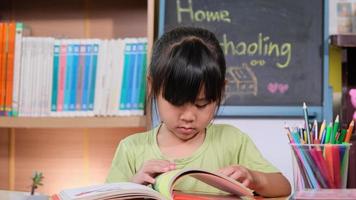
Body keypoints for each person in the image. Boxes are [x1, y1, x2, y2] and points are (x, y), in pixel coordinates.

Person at [106, 26, 291, 197]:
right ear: (152, 87)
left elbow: (283, 187)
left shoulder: (232, 141)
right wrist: (133, 187)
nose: (188, 117)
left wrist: (255, 178)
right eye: (176, 103)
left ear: (220, 92)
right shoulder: (131, 149)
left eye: (201, 104)